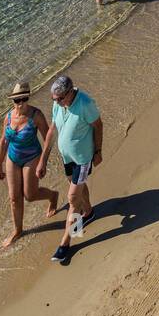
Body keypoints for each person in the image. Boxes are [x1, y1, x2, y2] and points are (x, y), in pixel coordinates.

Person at [38, 74, 102, 266]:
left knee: (73, 198)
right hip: (68, 159)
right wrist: (43, 159)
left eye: (59, 99)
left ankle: (66, 243)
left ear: (69, 93)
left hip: (82, 159)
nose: (56, 102)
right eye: (53, 99)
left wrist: (98, 151)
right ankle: (89, 213)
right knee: (78, 191)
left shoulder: (85, 103)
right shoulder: (58, 104)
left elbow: (98, 125)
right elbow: (51, 130)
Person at [0, 81, 59, 249]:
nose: (21, 103)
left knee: (29, 195)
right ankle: (18, 231)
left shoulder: (35, 116)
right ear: (13, 101)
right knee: (14, 198)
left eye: (24, 99)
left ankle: (53, 196)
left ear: (28, 98)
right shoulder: (8, 117)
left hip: (32, 157)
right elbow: (3, 141)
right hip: (13, 157)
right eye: (17, 100)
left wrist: (43, 162)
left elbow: (48, 138)